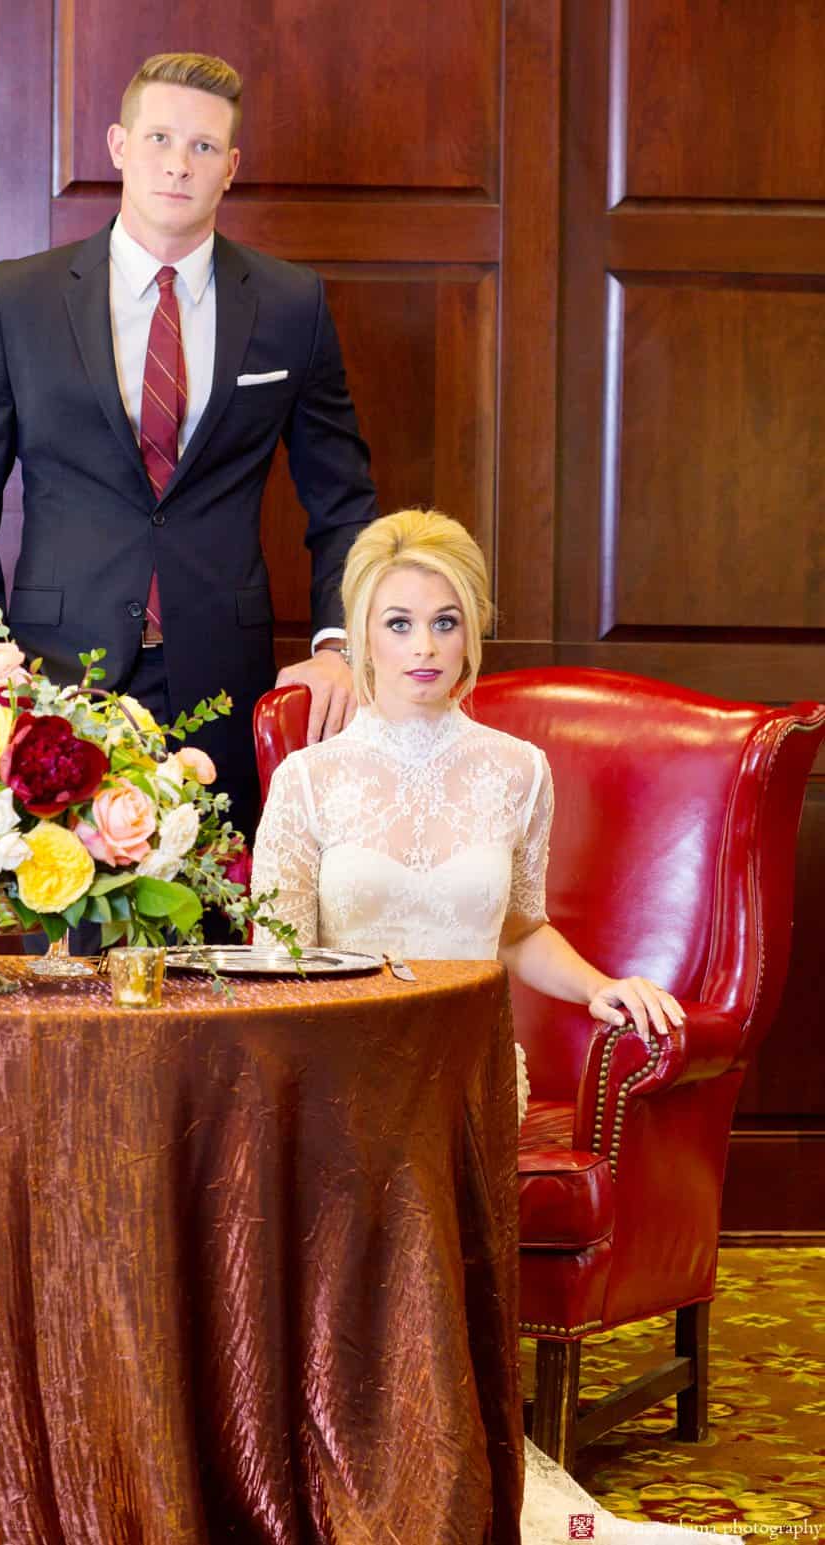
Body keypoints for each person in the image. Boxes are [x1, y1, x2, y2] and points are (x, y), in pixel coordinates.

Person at [252, 508, 706, 1542]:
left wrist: (600, 988)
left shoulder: (515, 771)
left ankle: (428, 1466)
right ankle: (333, 1466)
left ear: (472, 634)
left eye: (444, 622)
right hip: (336, 1068)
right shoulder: (307, 779)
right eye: (399, 623)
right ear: (360, 634)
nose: (423, 647)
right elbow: (273, 955)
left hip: (466, 1070)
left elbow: (515, 929)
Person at [0, 52, 376, 850]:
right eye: (160, 137)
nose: (178, 163)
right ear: (119, 146)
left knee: (219, 942)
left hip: (224, 682)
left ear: (230, 168)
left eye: (203, 147)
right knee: (62, 957)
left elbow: (344, 502)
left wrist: (338, 645)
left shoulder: (290, 305)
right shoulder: (20, 298)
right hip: (54, 680)